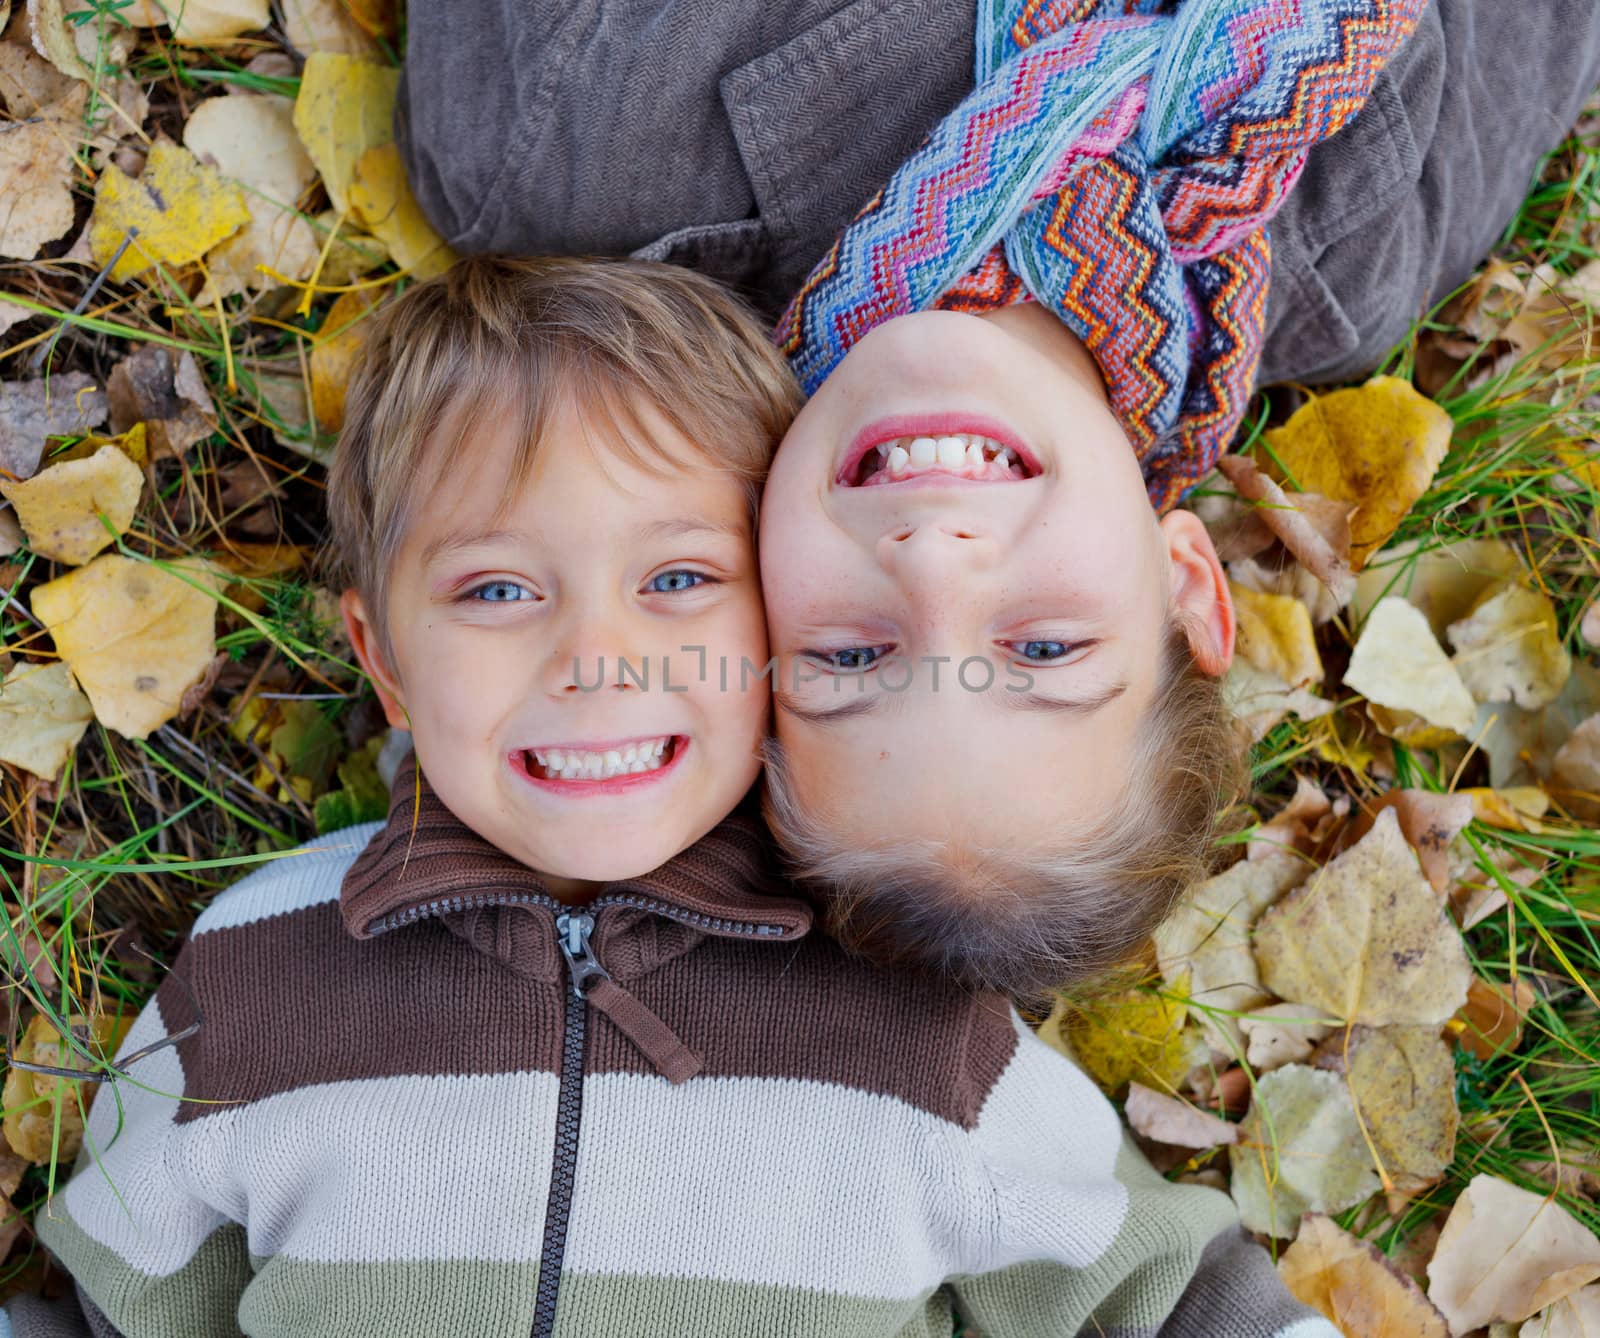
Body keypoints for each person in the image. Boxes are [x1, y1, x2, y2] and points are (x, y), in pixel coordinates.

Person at [1, 256, 1338, 1337]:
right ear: (385, 663)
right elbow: (115, 1304)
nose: (597, 658)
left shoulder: (917, 1035)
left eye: (682, 580)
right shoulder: (255, 970)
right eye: (499, 589)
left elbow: (1168, 1301)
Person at [395, 0, 1600, 998]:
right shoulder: (1362, 246)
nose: (932, 559)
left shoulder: (577, 142)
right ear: (1186, 590)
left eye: (851, 655)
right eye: (1044, 644)